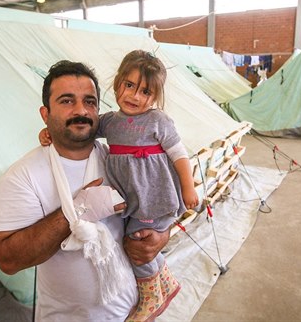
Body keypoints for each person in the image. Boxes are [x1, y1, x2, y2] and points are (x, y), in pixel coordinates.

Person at [0, 60, 170, 321]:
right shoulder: (23, 176)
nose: (81, 110)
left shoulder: (122, 162)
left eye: (90, 101)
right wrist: (77, 211)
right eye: (66, 101)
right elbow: (7, 259)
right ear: (45, 114)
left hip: (133, 312)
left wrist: (161, 236)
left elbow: (161, 200)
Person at [40, 50, 199, 321]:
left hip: (152, 196)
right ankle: (165, 281)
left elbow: (179, 154)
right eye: (129, 86)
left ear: (155, 97)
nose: (135, 96)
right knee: (137, 239)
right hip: (132, 198)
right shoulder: (110, 122)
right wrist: (49, 132)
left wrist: (188, 187)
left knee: (135, 244)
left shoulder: (158, 121)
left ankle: (150, 295)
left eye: (146, 92)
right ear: (117, 84)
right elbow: (83, 128)